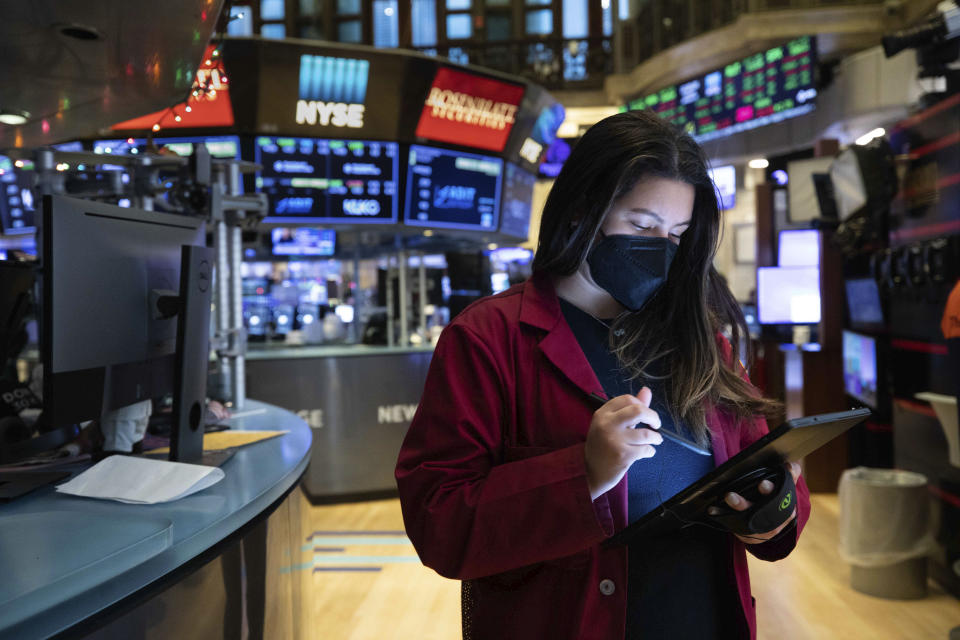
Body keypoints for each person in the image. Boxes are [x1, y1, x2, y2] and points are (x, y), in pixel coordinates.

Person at [395, 110, 810, 640]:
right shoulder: (487, 339)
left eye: (676, 234)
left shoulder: (702, 341)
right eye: (641, 226)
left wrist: (773, 507)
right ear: (584, 209)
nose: (659, 246)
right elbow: (440, 523)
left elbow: (767, 475)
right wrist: (584, 474)